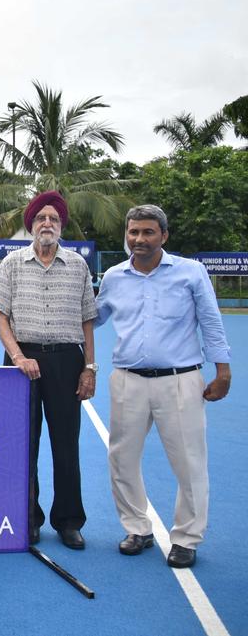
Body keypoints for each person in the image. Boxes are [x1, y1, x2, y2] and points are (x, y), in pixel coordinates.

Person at [95, 205, 232, 568]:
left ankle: (186, 537)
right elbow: (91, 318)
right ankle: (137, 528)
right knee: (121, 459)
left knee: (189, 462)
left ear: (164, 236)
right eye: (133, 232)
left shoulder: (191, 272)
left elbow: (211, 322)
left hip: (180, 380)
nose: (139, 239)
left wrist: (223, 371)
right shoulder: (113, 277)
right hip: (127, 381)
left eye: (148, 232)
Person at [0, 191, 97, 549]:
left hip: (67, 360)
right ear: (31, 225)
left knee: (66, 444)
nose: (46, 223)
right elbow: (0, 317)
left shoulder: (78, 266)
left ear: (61, 225)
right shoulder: (12, 263)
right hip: (23, 361)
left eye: (53, 218)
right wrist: (18, 357)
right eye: (40, 219)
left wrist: (89, 367)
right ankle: (28, 517)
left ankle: (68, 521)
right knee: (24, 443)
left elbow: (87, 321)